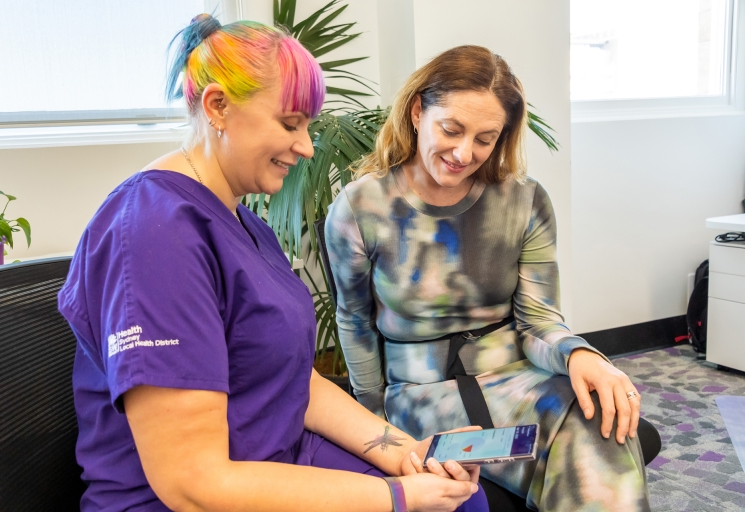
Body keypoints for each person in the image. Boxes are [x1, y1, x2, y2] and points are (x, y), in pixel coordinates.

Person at [57, 16, 490, 512]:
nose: (306, 147)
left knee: (461, 500)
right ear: (218, 106)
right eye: (290, 124)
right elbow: (192, 484)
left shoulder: (241, 221)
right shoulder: (154, 236)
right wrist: (394, 497)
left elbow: (291, 380)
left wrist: (404, 453)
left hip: (278, 456)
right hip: (193, 500)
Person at [324, 45, 651, 512]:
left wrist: (579, 354)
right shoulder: (361, 208)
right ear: (418, 112)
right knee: (583, 466)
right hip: (420, 396)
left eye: (485, 138)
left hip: (518, 377)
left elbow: (538, 320)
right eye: (451, 129)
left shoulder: (524, 201)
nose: (463, 153)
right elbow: (354, 322)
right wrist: (376, 424)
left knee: (597, 421)